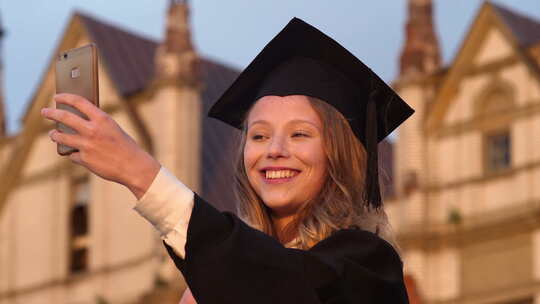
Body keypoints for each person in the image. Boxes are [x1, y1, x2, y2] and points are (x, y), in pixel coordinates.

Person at [42, 18, 414, 303]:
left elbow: (285, 285)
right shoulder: (214, 279)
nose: (274, 150)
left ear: (340, 156)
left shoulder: (368, 267)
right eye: (259, 135)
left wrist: (139, 172)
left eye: (300, 134)